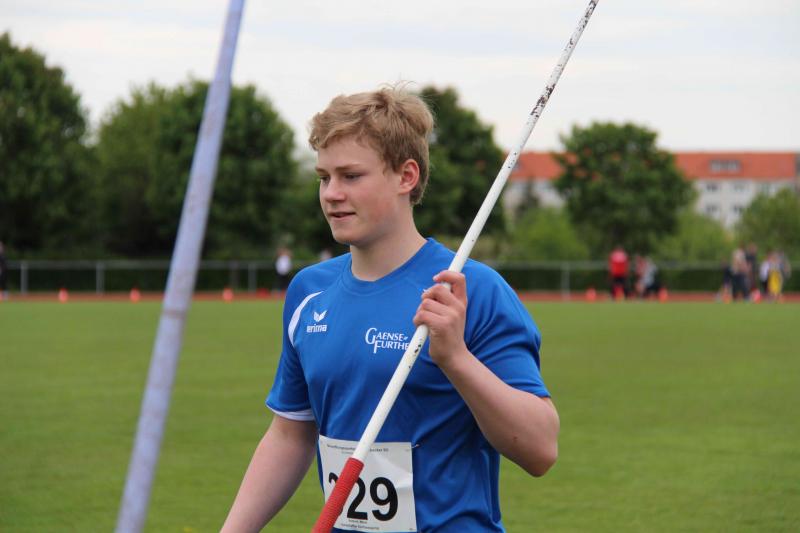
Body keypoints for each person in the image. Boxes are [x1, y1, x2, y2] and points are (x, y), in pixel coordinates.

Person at [222, 87, 559, 532]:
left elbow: (540, 449)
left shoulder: (469, 290)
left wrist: (455, 358)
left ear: (406, 176)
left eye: (351, 176)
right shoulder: (309, 292)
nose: (331, 194)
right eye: (324, 177)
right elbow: (289, 435)